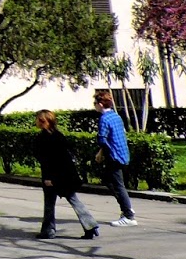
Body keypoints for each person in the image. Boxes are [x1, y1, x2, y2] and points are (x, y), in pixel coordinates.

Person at [33, 109, 99, 240]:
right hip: (67, 175)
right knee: (74, 200)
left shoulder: (43, 139)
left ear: (43, 121)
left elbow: (48, 160)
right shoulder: (58, 135)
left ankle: (48, 230)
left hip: (54, 176)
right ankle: (90, 225)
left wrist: (49, 178)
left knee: (49, 204)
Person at [93, 90, 135, 225]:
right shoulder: (116, 116)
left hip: (113, 155)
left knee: (117, 185)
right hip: (122, 153)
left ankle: (128, 215)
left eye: (95, 103)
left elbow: (102, 139)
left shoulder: (104, 119)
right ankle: (126, 208)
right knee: (109, 180)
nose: (94, 106)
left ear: (100, 104)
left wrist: (101, 153)